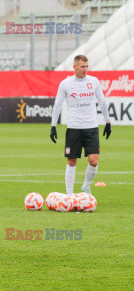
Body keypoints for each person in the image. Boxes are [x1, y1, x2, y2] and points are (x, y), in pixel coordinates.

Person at [50, 54, 111, 196]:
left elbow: (102, 102)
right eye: (82, 67)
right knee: (72, 162)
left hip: (91, 127)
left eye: (86, 66)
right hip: (74, 128)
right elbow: (57, 105)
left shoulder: (94, 81)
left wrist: (108, 122)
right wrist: (53, 126)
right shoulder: (66, 83)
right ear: (74, 67)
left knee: (94, 161)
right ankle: (70, 196)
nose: (85, 69)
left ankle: (86, 186)